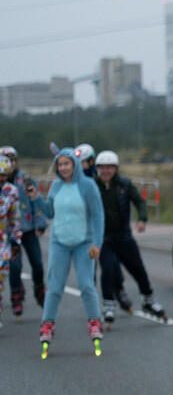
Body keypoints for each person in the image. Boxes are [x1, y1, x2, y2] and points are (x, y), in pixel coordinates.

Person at [38, 147, 105, 351]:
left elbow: (97, 216)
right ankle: (47, 324)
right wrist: (36, 199)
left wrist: (96, 243)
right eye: (60, 164)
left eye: (67, 164)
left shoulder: (88, 186)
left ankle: (94, 322)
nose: (64, 168)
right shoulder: (56, 187)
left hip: (83, 243)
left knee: (86, 284)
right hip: (59, 242)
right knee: (55, 286)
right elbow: (49, 212)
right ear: (56, 167)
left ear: (75, 165)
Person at [93, 150, 165, 323]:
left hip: (123, 235)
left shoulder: (124, 184)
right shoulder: (92, 186)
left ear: (116, 169)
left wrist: (142, 219)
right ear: (97, 169)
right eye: (102, 168)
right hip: (103, 237)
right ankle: (108, 304)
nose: (105, 171)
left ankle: (148, 299)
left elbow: (139, 201)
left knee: (137, 268)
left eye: (109, 167)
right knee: (108, 269)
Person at [0, 146, 48, 315]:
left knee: (37, 263)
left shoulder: (25, 178)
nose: (10, 165)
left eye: (12, 160)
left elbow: (35, 200)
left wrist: (40, 222)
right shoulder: (3, 182)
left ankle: (40, 288)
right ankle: (16, 295)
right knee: (14, 265)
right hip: (6, 233)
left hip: (27, 228)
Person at [0, 154, 22, 326]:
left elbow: (14, 218)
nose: (2, 178)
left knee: (1, 277)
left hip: (2, 240)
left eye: (4, 174)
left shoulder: (11, 191)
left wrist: (16, 241)